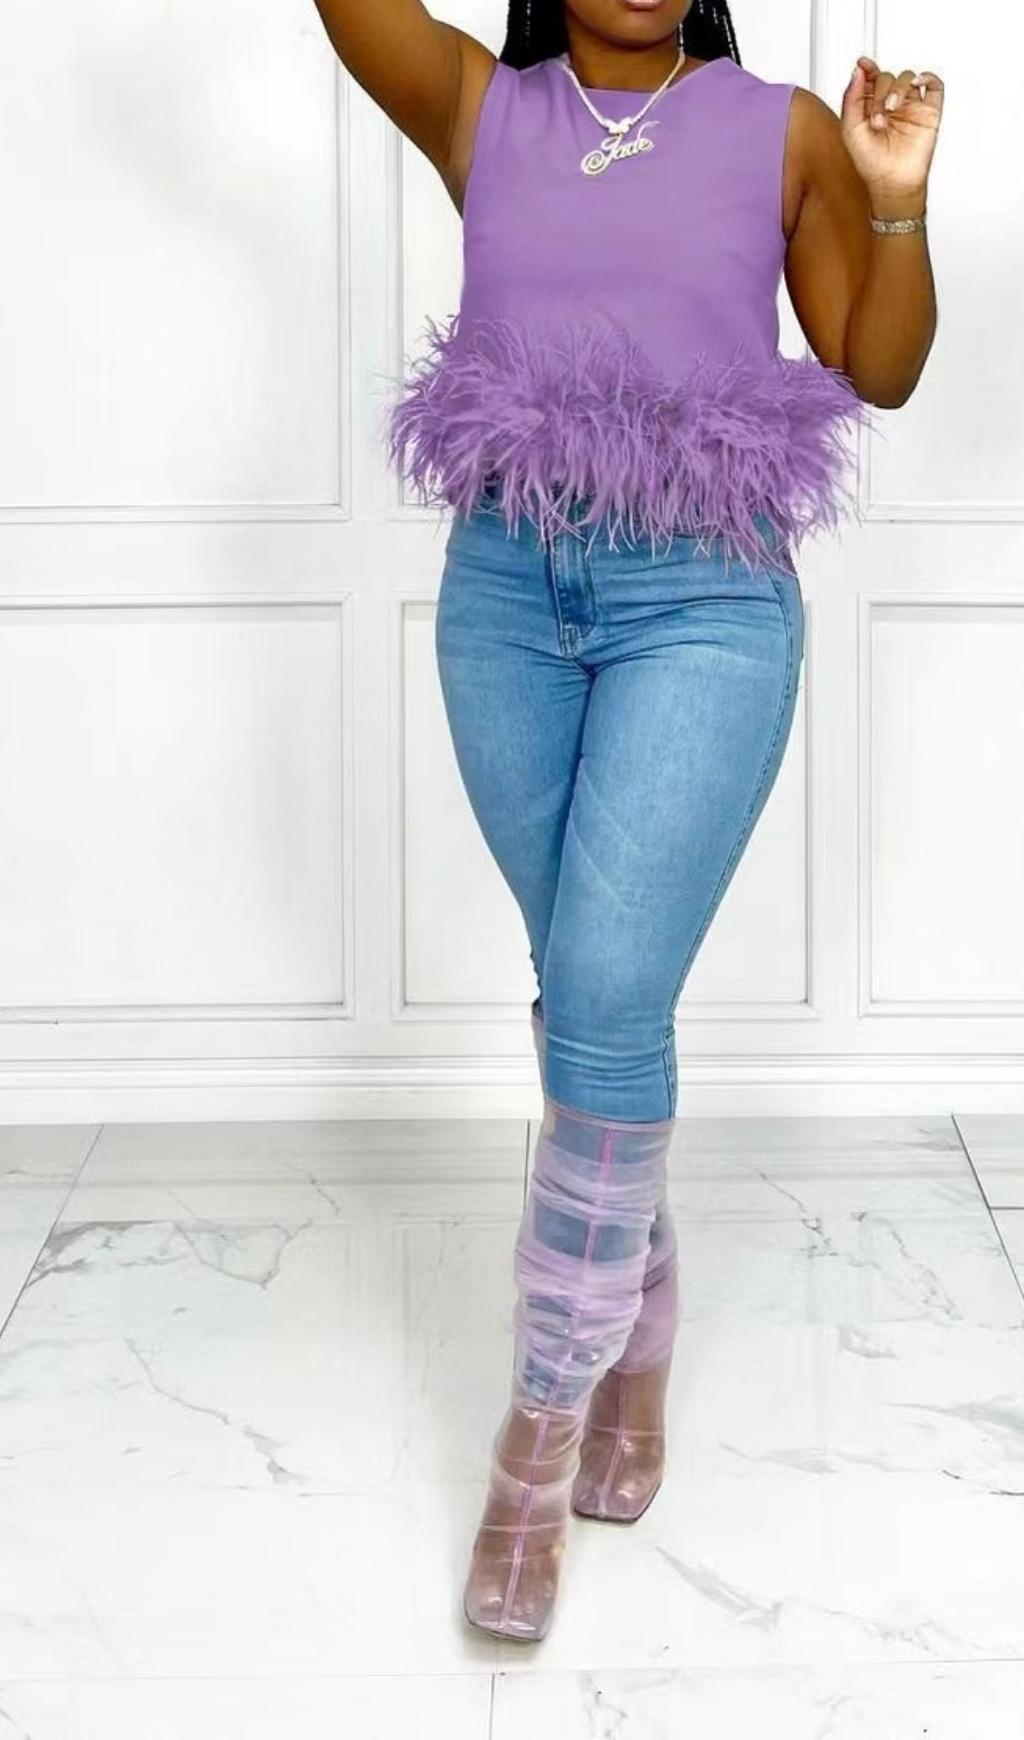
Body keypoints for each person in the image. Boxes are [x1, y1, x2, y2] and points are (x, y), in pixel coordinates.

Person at [311, 0, 942, 1644]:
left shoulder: (781, 127)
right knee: (591, 998)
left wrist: (893, 199)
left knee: (598, 995)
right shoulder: (482, 107)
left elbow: (876, 367)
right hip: (506, 598)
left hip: (706, 603)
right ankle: (638, 1328)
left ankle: (536, 1436)